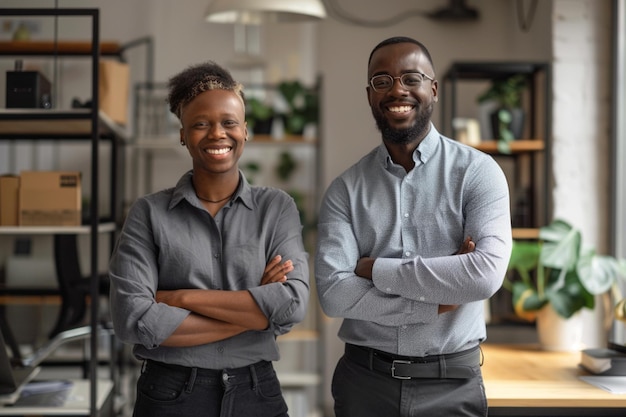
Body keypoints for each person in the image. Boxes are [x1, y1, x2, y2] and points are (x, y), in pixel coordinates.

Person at [315, 36, 512, 417]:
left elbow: (485, 275)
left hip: (452, 383)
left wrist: (377, 270)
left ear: (433, 89)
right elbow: (334, 294)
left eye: (411, 77)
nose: (397, 90)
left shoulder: (478, 173)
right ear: (370, 95)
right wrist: (439, 300)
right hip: (365, 385)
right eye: (382, 81)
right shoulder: (344, 190)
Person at [109, 61, 310, 417]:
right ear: (183, 134)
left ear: (245, 131)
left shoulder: (276, 208)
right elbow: (133, 320)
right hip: (170, 393)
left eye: (229, 122)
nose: (218, 133)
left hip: (256, 392)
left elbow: (292, 304)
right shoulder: (148, 213)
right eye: (201, 124)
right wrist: (258, 317)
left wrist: (181, 297)